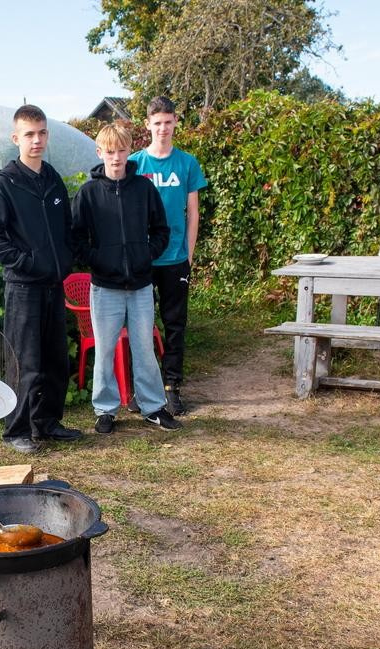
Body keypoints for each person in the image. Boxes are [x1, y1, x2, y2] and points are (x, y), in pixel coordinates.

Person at [0, 104, 82, 454]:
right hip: (23, 287)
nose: (36, 140)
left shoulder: (51, 177)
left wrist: (64, 261)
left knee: (55, 357)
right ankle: (17, 430)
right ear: (16, 139)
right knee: (24, 360)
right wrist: (27, 263)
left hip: (53, 285)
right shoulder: (5, 184)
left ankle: (47, 422)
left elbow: (66, 228)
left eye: (41, 133)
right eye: (29, 134)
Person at [71, 122, 179, 434]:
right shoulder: (89, 194)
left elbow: (161, 230)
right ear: (99, 152)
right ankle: (105, 410)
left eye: (121, 150)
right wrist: (98, 260)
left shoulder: (144, 189)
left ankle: (154, 408)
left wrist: (146, 255)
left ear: (129, 151)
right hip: (105, 288)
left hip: (141, 285)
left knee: (144, 347)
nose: (116, 157)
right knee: (104, 350)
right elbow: (76, 239)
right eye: (109, 151)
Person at [128, 96, 208, 416]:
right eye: (156, 123)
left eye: (168, 122)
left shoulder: (187, 163)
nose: (162, 128)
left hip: (175, 259)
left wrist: (188, 256)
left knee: (175, 326)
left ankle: (172, 389)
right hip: (144, 260)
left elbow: (193, 213)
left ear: (176, 122)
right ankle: (144, 390)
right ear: (147, 125)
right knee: (141, 326)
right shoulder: (135, 164)